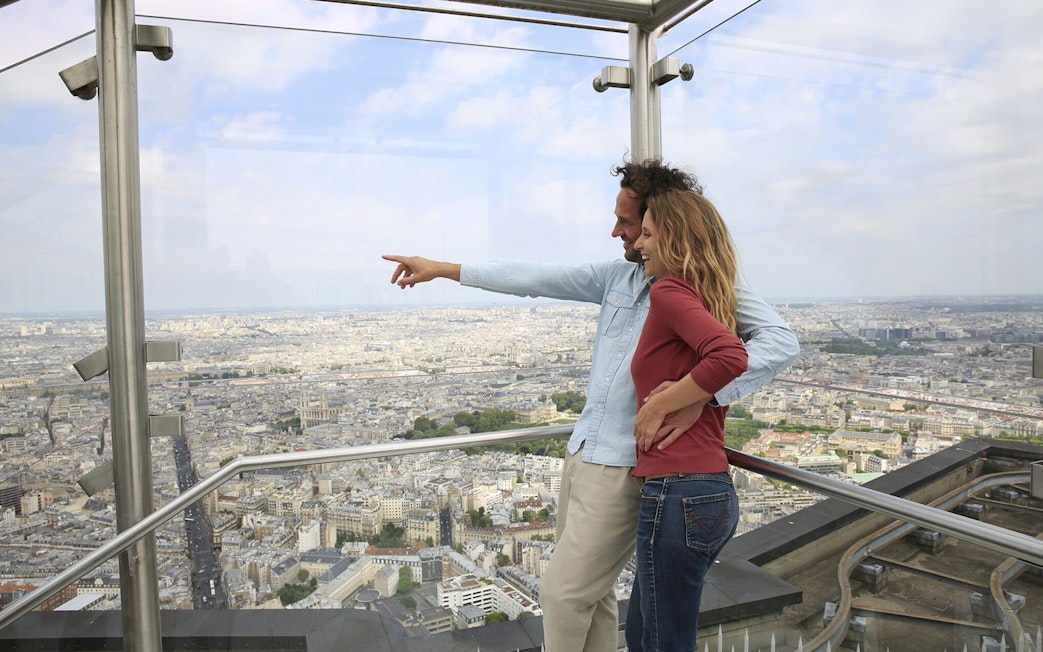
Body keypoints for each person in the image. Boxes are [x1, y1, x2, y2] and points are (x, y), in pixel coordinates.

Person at [382, 159, 799, 652]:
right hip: (584, 452)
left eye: (629, 223)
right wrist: (445, 270)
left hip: (627, 462)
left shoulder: (706, 287)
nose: (618, 232)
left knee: (564, 593)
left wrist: (700, 393)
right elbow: (538, 276)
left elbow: (779, 342)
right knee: (594, 593)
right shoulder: (617, 279)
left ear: (660, 224)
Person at [626, 189, 746, 651]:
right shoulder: (713, 299)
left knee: (661, 641)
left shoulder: (670, 292)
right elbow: (722, 364)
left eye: (650, 234)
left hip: (677, 495)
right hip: (708, 493)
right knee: (645, 633)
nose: (640, 244)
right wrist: (694, 397)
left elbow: (729, 357)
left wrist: (657, 406)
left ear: (675, 240)